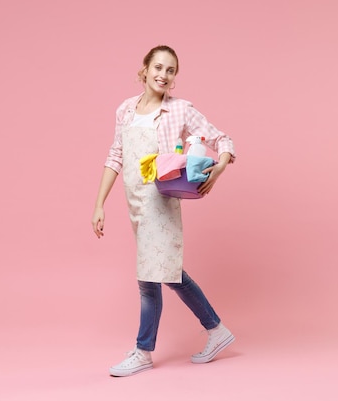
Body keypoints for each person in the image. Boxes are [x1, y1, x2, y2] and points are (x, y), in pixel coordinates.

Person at [91, 45, 236, 377]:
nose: (163, 75)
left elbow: (222, 139)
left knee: (149, 277)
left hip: (161, 201)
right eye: (158, 67)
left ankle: (144, 351)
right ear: (144, 69)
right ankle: (216, 330)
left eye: (171, 70)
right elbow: (116, 156)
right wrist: (99, 204)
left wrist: (220, 167)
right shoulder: (126, 110)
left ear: (175, 78)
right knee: (167, 271)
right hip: (136, 204)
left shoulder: (180, 110)